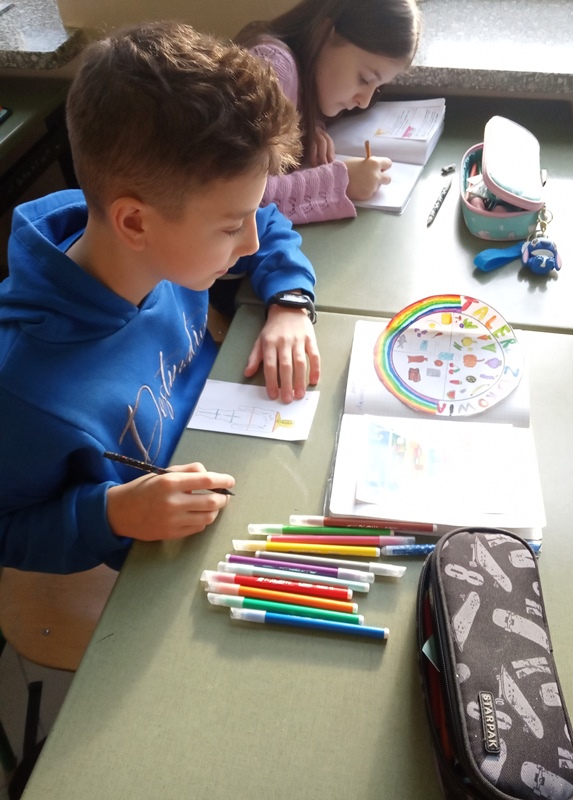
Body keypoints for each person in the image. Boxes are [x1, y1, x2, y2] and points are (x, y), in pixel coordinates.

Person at [0, 21, 321, 574]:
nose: (250, 241)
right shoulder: (21, 389)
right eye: (230, 227)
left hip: (232, 443)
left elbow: (267, 224)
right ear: (134, 222)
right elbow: (8, 530)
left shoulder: (163, 247)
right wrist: (109, 514)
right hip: (162, 559)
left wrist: (290, 300)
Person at [235, 0, 421, 224]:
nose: (364, 102)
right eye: (365, 79)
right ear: (324, 34)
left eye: (378, 87)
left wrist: (305, 126)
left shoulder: (310, 81)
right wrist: (341, 182)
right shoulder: (272, 68)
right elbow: (239, 198)